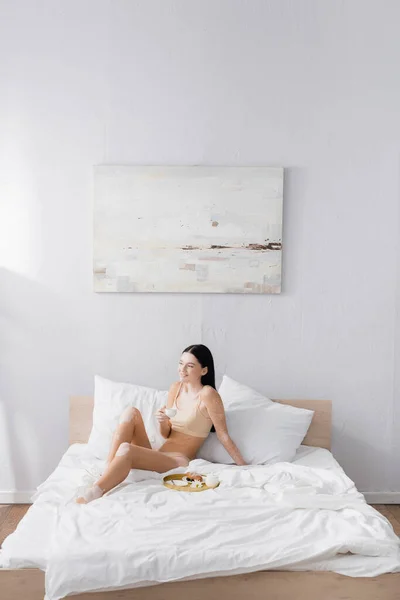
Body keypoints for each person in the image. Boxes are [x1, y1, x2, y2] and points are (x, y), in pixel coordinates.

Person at [76, 344, 246, 503]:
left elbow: (223, 435)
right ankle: (106, 471)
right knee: (131, 412)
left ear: (204, 370)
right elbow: (167, 434)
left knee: (126, 449)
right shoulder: (176, 388)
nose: (182, 369)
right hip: (159, 454)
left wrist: (244, 467)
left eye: (190, 366)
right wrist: (163, 422)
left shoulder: (208, 395)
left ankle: (96, 490)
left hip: (178, 461)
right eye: (181, 363)